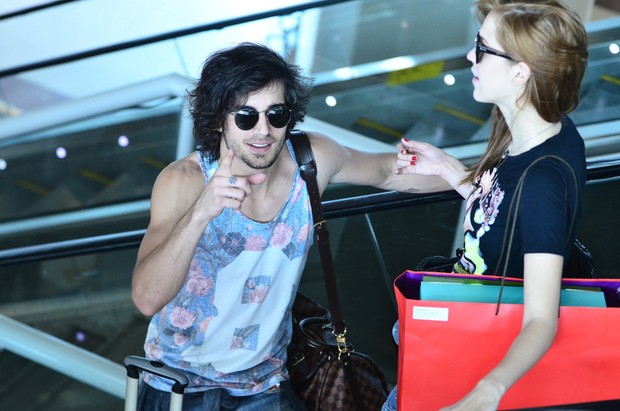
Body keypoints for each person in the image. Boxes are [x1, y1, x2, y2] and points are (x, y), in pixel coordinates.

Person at [130, 42, 448, 410]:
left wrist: (484, 178)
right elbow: (146, 299)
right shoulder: (184, 180)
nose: (263, 131)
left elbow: (390, 172)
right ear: (219, 118)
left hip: (264, 383)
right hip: (176, 383)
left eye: (276, 114)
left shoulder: (311, 160)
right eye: (246, 116)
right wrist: (202, 212)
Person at [383, 1, 589, 410]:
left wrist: (488, 389)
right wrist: (446, 168)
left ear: (520, 72)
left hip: (477, 358)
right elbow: (503, 205)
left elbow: (542, 320)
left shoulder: (544, 180)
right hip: (460, 330)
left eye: (482, 47)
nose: (469, 56)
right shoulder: (537, 129)